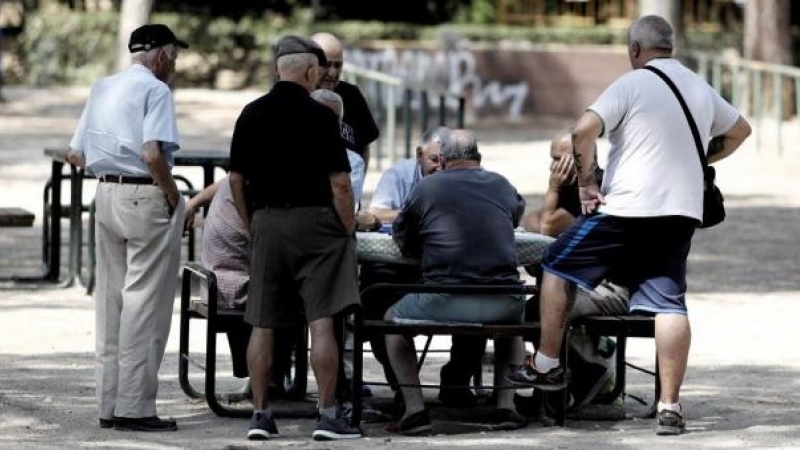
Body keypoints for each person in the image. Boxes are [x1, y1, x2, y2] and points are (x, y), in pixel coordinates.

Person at [527, 15, 751, 435]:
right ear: (671, 47)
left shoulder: (632, 83)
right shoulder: (698, 86)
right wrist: (697, 158)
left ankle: (547, 364)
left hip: (628, 209)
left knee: (554, 264)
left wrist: (588, 183)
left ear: (634, 50)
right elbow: (740, 131)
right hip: (681, 211)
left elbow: (582, 132)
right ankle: (670, 406)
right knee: (669, 303)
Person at [228, 35, 362, 441]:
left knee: (262, 322)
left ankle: (261, 415)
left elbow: (235, 179)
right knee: (323, 322)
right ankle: (326, 416)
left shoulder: (250, 114)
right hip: (317, 226)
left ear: (276, 70)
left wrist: (252, 222)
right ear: (310, 72)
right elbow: (340, 183)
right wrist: (348, 226)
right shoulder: (321, 117)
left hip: (267, 222)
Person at [66, 24, 188, 432]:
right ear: (159, 57)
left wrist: (110, 164)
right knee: (145, 305)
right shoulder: (156, 91)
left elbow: (75, 153)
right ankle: (135, 408)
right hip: (144, 195)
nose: (174, 64)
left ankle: (108, 403)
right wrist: (171, 193)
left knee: (111, 301)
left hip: (105, 195)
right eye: (173, 56)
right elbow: (152, 152)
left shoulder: (103, 86)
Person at [385, 129, 530, 434]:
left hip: (445, 299)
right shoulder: (502, 184)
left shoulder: (427, 188)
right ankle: (506, 406)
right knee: (512, 327)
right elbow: (514, 218)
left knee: (391, 322)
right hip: (503, 301)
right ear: (479, 157)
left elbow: (403, 238)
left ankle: (415, 410)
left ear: (445, 159)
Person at [521, 130, 628, 411]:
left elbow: (545, 226)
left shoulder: (600, 190)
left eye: (559, 159)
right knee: (535, 305)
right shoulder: (573, 188)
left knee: (537, 311)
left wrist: (553, 190)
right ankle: (566, 380)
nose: (553, 167)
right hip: (582, 285)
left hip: (610, 288)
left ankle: (579, 376)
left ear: (581, 158)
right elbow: (530, 221)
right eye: (552, 159)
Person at [311, 32, 379, 169]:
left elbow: (364, 146)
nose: (332, 73)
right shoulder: (296, 95)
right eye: (326, 65)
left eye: (338, 66)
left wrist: (359, 183)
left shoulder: (351, 95)